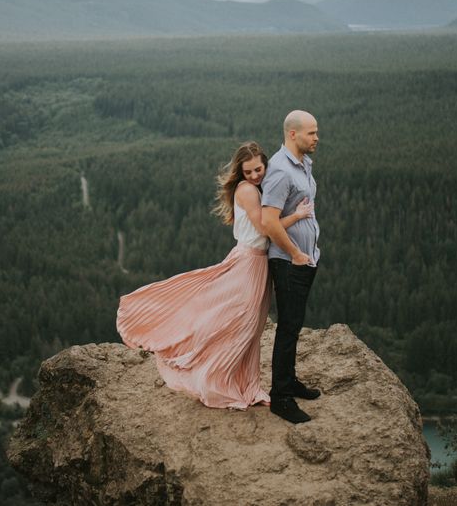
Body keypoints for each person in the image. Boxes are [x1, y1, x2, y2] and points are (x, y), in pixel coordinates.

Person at [116, 141, 313, 409]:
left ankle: (246, 384)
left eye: (259, 169)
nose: (255, 175)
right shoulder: (248, 191)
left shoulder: (255, 188)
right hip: (249, 265)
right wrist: (298, 215)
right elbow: (267, 228)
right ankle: (216, 378)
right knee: (241, 325)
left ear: (265, 165)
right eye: (249, 172)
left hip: (256, 265)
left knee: (251, 329)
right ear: (240, 174)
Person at [261, 110, 321, 424]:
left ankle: (290, 380)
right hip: (288, 262)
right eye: (311, 133)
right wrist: (296, 254)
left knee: (294, 325)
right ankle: (281, 398)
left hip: (304, 259)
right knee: (287, 327)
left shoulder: (302, 164)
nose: (317, 138)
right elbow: (268, 222)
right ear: (293, 134)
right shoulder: (281, 170)